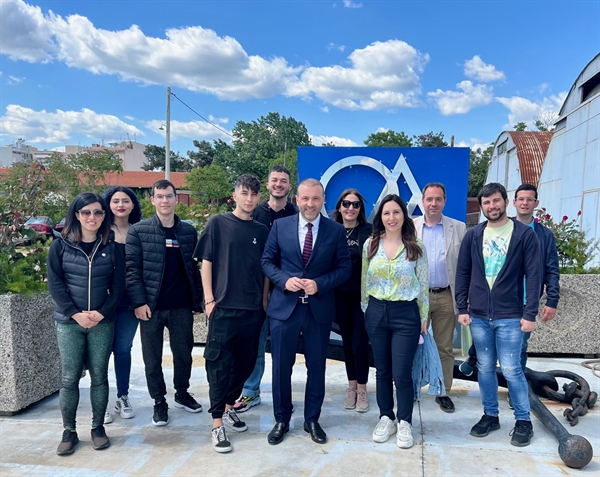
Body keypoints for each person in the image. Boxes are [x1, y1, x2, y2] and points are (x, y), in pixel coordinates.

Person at [261, 178, 351, 446]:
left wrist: (319, 284)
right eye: (305, 198)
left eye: (315, 198)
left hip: (318, 310)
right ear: (297, 200)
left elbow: (344, 268)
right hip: (284, 309)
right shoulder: (280, 226)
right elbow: (267, 261)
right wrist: (284, 280)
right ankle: (282, 419)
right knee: (281, 367)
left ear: (323, 200)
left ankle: (312, 419)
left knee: (316, 367)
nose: (310, 204)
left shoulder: (335, 231)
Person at [455, 182, 541, 447]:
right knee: (484, 368)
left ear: (505, 201)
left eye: (496, 200)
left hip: (511, 316)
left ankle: (523, 421)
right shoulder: (473, 236)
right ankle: (490, 415)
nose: (492, 206)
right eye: (486, 202)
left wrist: (530, 313)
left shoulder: (524, 235)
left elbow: (534, 276)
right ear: (481, 207)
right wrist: (462, 307)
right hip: (479, 316)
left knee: (512, 370)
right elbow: (463, 272)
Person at [195, 174, 270, 453]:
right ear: (235, 195)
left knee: (246, 363)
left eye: (254, 194)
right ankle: (217, 423)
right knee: (218, 365)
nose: (249, 199)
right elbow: (206, 262)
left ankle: (229, 408)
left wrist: (264, 300)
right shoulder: (218, 223)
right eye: (244, 193)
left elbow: (266, 270)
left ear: (259, 198)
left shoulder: (262, 230)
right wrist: (209, 300)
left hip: (253, 309)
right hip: (223, 307)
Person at [459, 183, 560, 385]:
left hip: (524, 301)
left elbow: (551, 268)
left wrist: (552, 299)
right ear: (513, 202)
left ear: (536, 203)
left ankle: (515, 389)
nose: (524, 203)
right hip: (497, 300)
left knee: (518, 349)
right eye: (521, 199)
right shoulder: (500, 229)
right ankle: (474, 357)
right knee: (486, 338)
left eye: (529, 199)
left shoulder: (543, 235)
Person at [48, 192, 125, 455]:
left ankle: (98, 428)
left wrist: (102, 313)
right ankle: (69, 431)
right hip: (69, 323)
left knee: (99, 376)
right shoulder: (60, 246)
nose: (92, 217)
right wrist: (75, 313)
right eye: (86, 212)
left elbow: (118, 287)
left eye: (98, 212)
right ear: (77, 215)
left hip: (102, 322)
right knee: (70, 378)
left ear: (104, 216)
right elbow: (56, 285)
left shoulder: (113, 247)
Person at [125, 179, 204, 427]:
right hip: (151, 307)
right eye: (159, 196)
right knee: (152, 359)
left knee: (184, 354)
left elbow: (194, 268)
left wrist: (197, 300)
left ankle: (182, 393)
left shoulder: (188, 232)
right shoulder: (138, 231)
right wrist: (139, 302)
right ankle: (159, 401)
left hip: (181, 305)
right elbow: (132, 271)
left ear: (176, 199)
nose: (164, 201)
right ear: (152, 200)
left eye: (169, 196)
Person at [361, 194, 429, 449]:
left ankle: (404, 421)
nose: (392, 217)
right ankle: (386, 417)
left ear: (404, 216)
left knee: (402, 373)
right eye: (387, 213)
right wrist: (367, 310)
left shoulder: (416, 247)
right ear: (380, 217)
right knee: (382, 371)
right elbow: (364, 280)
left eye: (396, 212)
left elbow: (423, 284)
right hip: (376, 311)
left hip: (406, 315)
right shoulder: (370, 244)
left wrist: (424, 316)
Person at [234, 165, 296, 414]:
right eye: (274, 180)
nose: (279, 184)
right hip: (256, 289)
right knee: (255, 343)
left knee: (286, 348)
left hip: (289, 290)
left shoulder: (297, 215)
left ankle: (284, 394)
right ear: (268, 185)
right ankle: (251, 391)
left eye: (283, 180)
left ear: (289, 186)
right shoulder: (254, 213)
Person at [412, 183, 466, 413]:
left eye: (438, 199)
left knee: (445, 347)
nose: (433, 203)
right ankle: (411, 388)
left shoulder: (459, 228)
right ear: (422, 201)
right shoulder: (410, 227)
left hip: (445, 295)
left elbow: (466, 266)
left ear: (444, 201)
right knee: (411, 345)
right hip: (416, 297)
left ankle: (443, 392)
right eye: (429, 199)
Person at [101, 186, 142, 423]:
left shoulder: (139, 231)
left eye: (125, 200)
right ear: (108, 204)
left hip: (129, 302)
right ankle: (100, 402)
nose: (120, 205)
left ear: (133, 204)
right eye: (115, 201)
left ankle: (122, 396)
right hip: (103, 302)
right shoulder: (101, 231)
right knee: (101, 352)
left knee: (123, 349)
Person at [332, 189, 373, 413]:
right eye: (346, 203)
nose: (350, 208)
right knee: (347, 343)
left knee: (359, 344)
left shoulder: (369, 231)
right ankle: (351, 387)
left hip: (362, 298)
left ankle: (363, 389)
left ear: (360, 209)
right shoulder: (331, 230)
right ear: (339, 207)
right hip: (339, 296)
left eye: (355, 204)